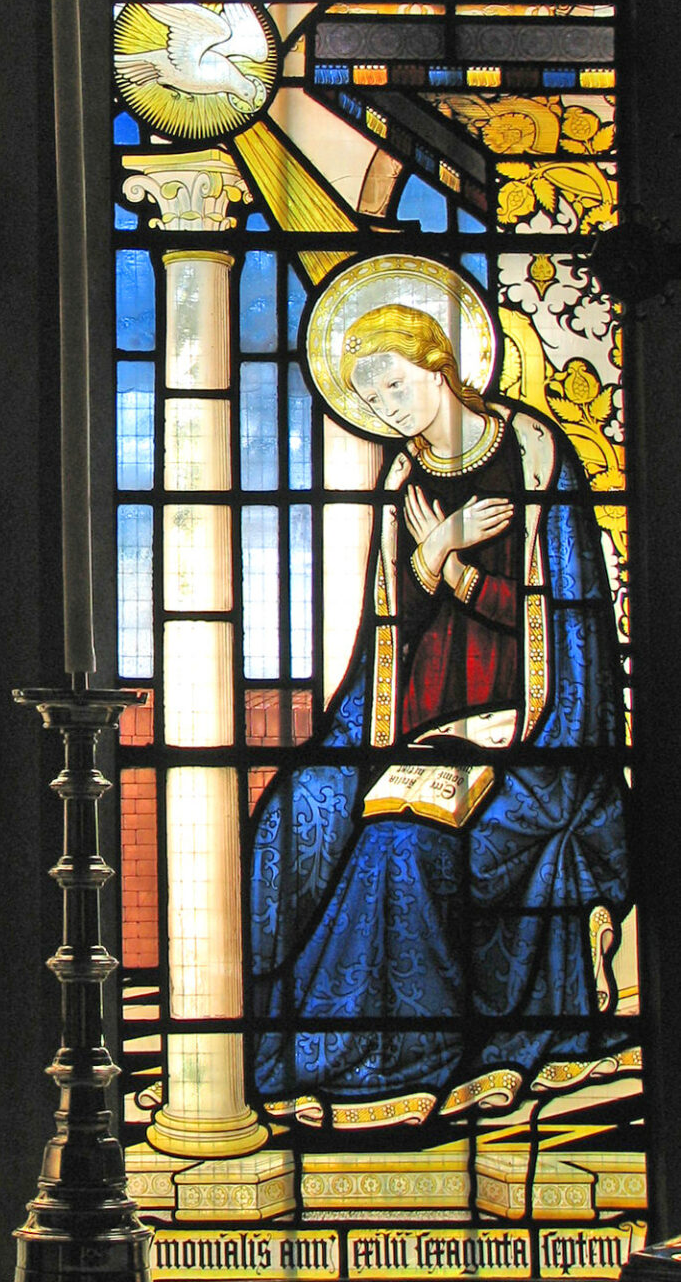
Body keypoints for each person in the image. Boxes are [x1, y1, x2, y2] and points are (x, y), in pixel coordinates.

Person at [250, 301, 633, 1128]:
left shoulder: (534, 458)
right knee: (291, 816)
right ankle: (273, 1048)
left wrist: (456, 570)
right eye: (373, 400)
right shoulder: (405, 479)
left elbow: (561, 616)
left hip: (536, 728)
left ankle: (404, 1060)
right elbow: (394, 631)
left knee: (400, 842)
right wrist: (430, 553)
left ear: (438, 364)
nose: (388, 408)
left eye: (395, 385)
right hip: (416, 727)